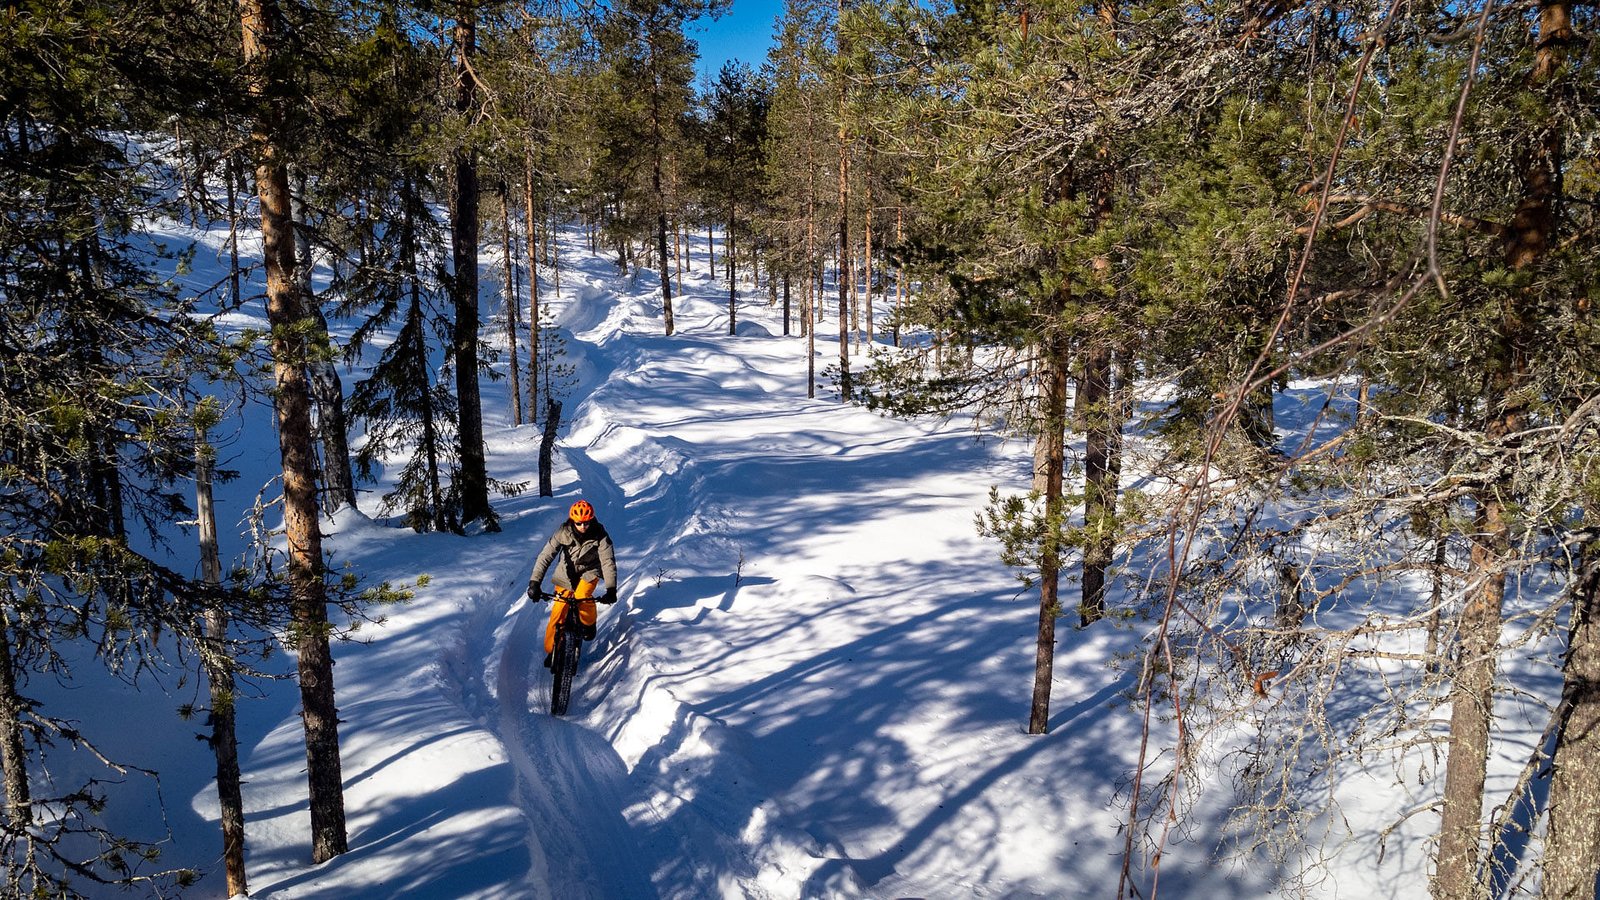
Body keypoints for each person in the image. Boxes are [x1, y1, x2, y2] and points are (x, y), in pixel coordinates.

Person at [527, 499, 618, 666]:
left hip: (590, 572)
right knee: (559, 610)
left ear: (591, 519)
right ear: (573, 521)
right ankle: (553, 650)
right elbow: (545, 556)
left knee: (582, 596)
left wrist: (611, 589)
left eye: (586, 522)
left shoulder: (600, 535)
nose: (583, 526)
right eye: (579, 523)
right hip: (565, 573)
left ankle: (589, 624)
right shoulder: (562, 532)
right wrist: (534, 583)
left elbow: (608, 561)